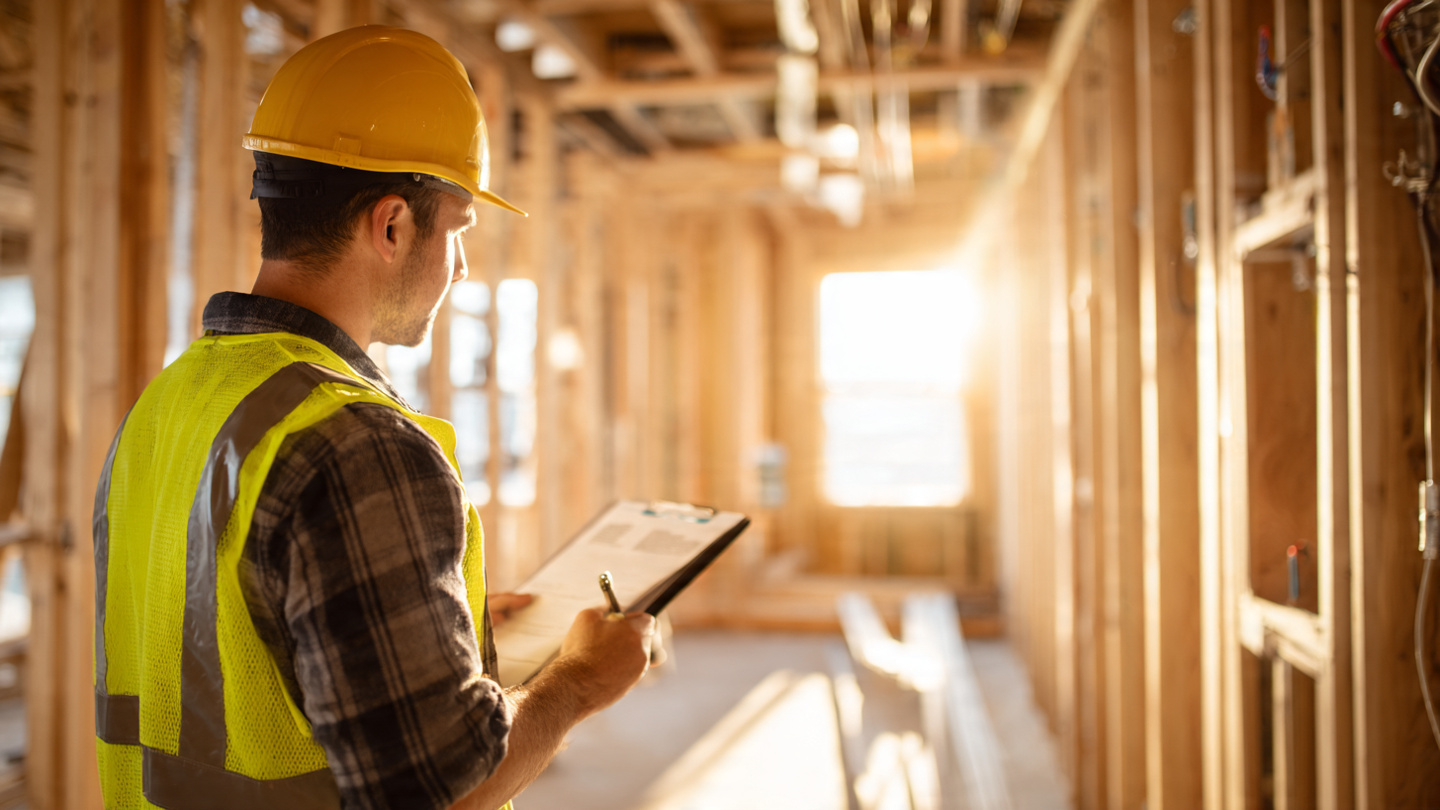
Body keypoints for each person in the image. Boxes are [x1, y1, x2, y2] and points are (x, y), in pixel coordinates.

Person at [91, 26, 654, 810]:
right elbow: (441, 790)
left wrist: (416, 622)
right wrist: (582, 682)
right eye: (458, 229)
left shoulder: (166, 406)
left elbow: (220, 639)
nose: (460, 265)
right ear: (392, 225)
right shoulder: (361, 446)